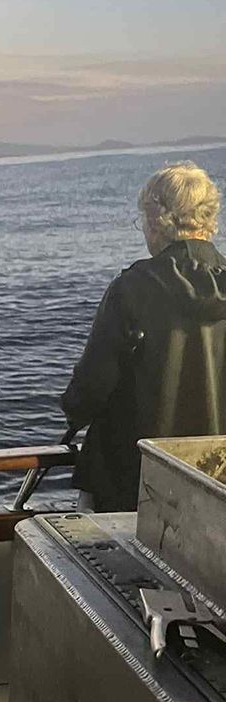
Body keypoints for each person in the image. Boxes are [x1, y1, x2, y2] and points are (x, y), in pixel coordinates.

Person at [63, 162, 226, 512]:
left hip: (133, 481)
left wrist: (72, 409)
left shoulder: (132, 289)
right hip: (216, 480)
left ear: (157, 220)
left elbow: (90, 388)